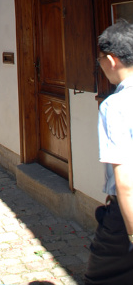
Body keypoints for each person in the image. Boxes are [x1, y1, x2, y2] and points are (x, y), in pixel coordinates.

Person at [84, 19, 133, 285]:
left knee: (101, 277)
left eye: (100, 59)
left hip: (126, 214)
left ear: (111, 60)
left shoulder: (115, 105)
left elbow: (125, 181)